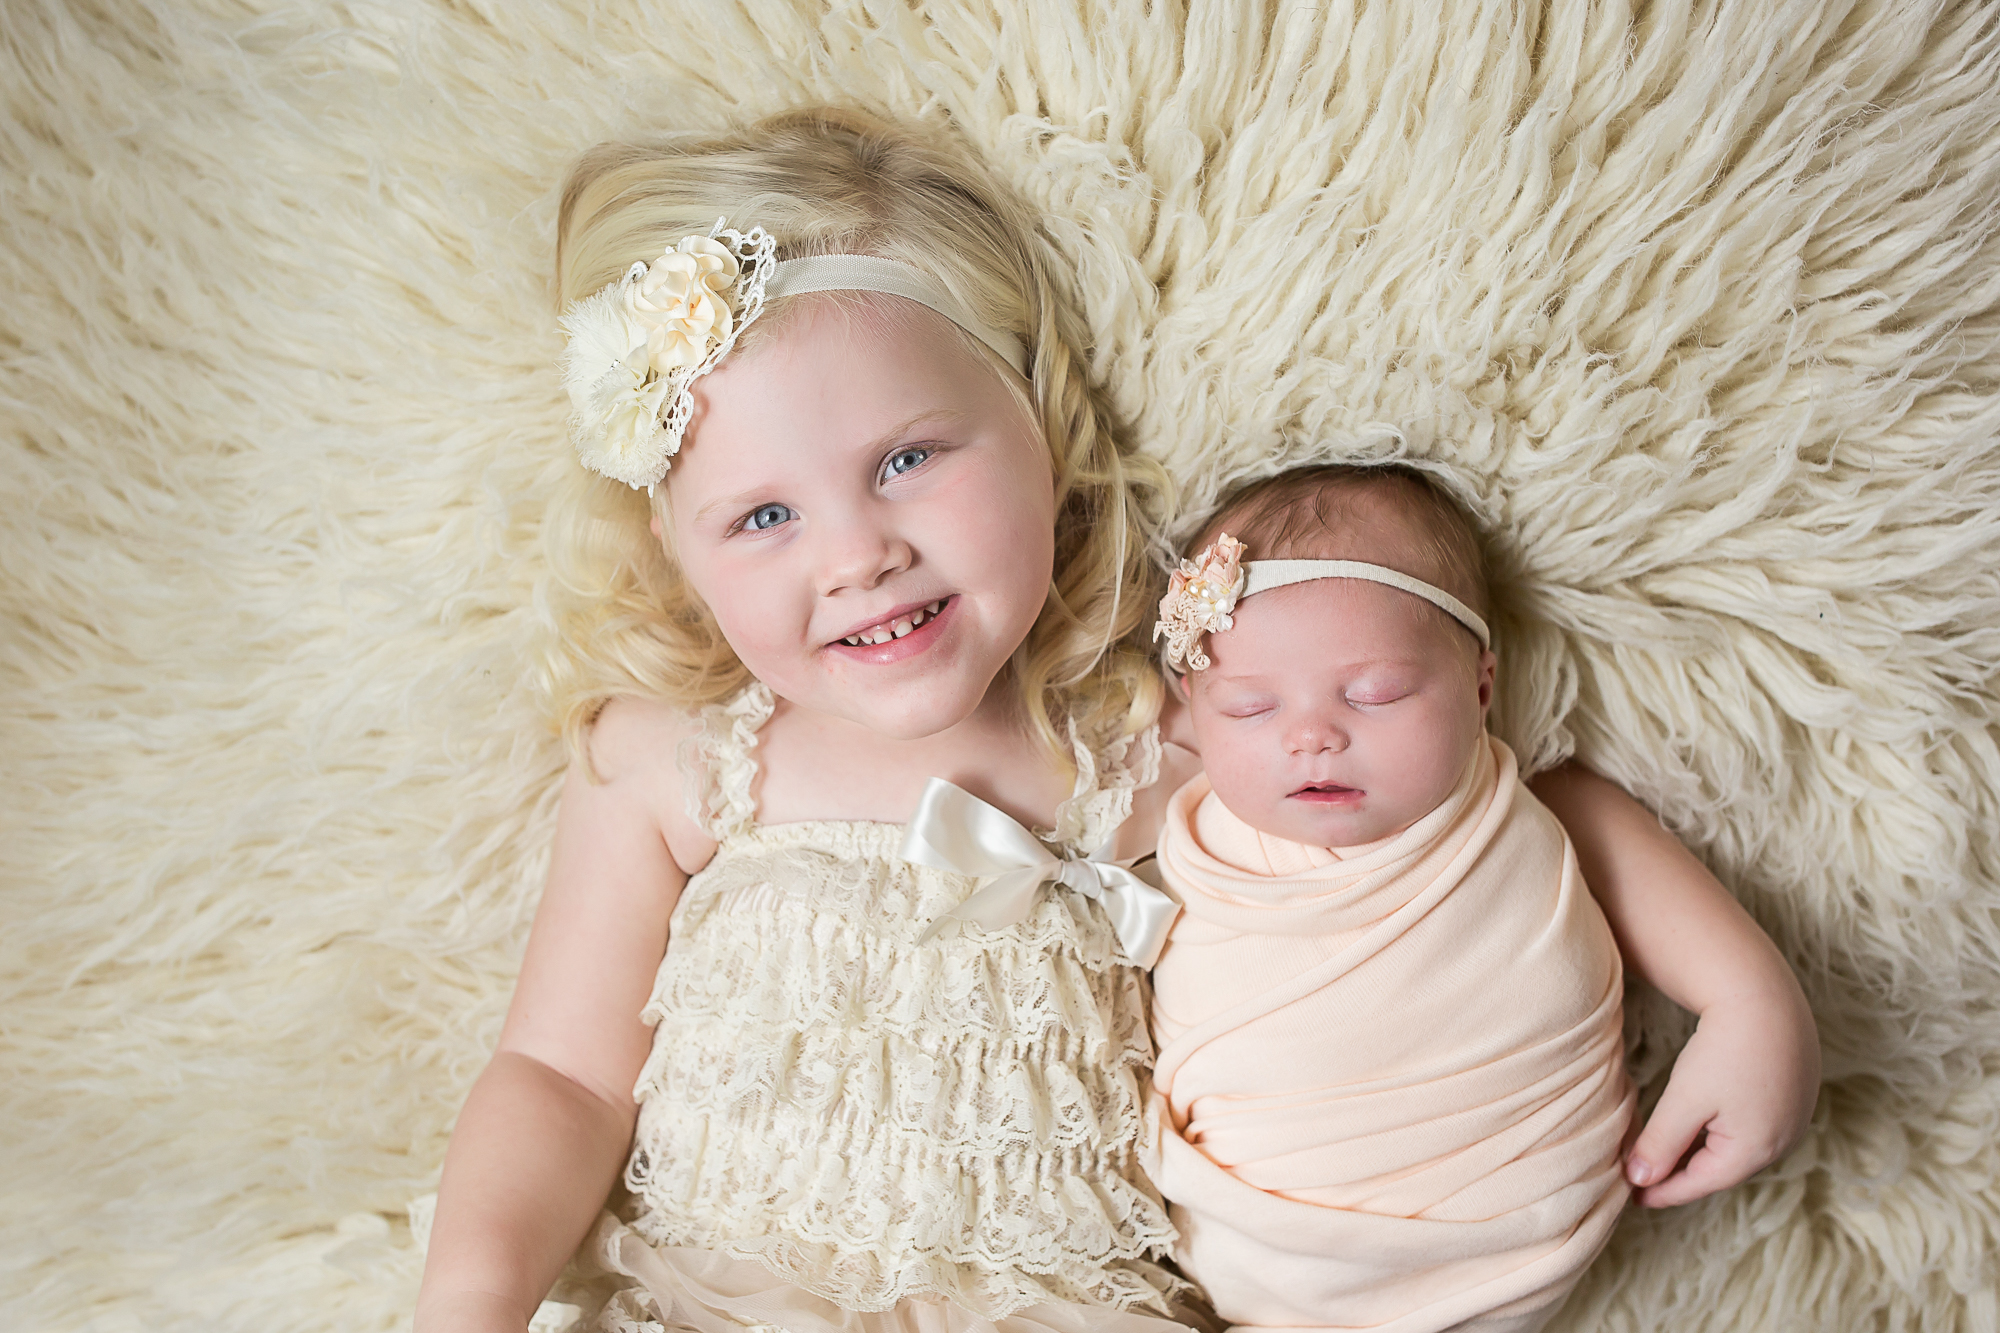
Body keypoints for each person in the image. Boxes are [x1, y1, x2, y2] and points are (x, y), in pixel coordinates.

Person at [414, 108, 1817, 1333]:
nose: (856, 556)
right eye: (763, 516)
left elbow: (1490, 794)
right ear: (674, 546)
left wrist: (1743, 993)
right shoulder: (678, 763)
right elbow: (560, 1073)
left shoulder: (1157, 745)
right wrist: (470, 1300)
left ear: (1042, 427)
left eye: (907, 458)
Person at [1145, 465, 1820, 1333]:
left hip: (1506, 1244)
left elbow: (1654, 892)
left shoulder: (1521, 806)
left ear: (1481, 687)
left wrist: (1755, 1008)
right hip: (1267, 1264)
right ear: (1192, 714)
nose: (1310, 734)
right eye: (1248, 708)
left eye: (1375, 693)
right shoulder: (1181, 806)